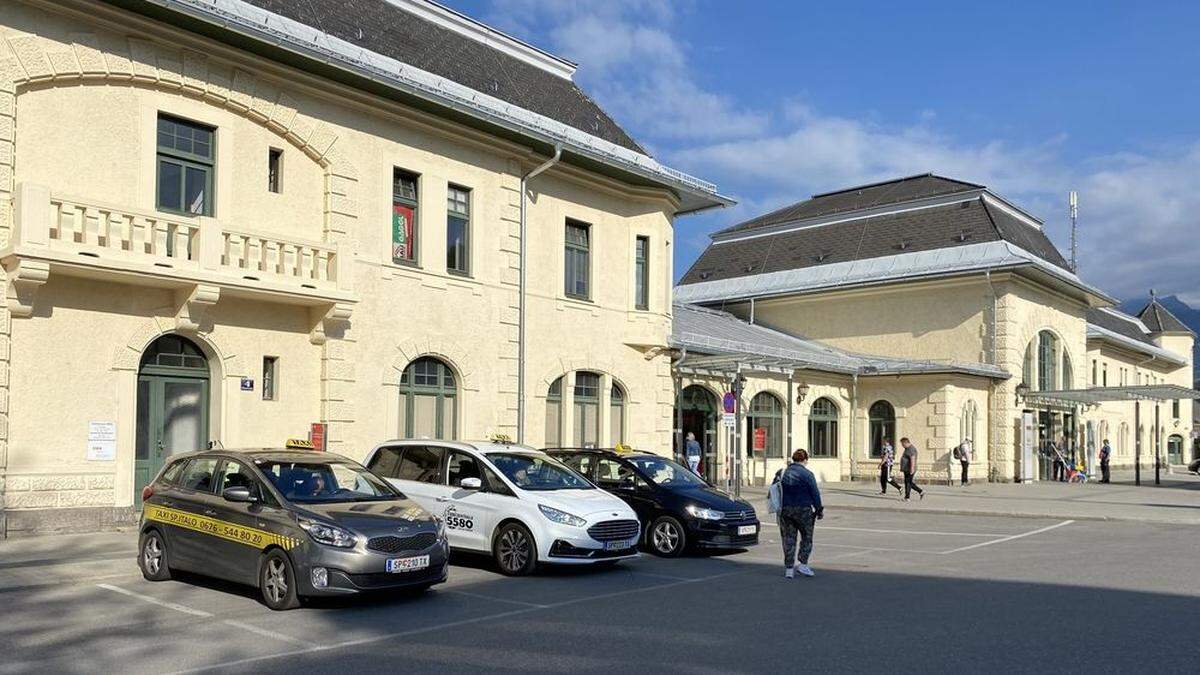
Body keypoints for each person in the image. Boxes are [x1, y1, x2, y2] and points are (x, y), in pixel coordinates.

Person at [771, 448, 823, 578]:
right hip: (803, 510)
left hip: (786, 510)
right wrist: (819, 509)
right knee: (807, 537)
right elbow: (815, 493)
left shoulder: (782, 472)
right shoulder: (807, 474)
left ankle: (789, 569)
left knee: (788, 539)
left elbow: (774, 490)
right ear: (805, 460)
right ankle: (803, 564)